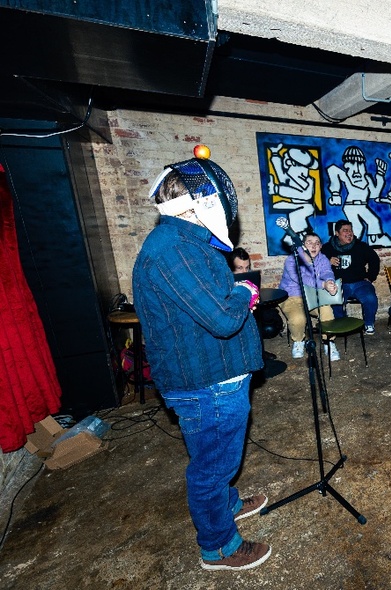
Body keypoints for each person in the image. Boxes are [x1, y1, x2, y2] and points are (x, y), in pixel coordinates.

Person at [132, 157, 271, 571]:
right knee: (212, 468)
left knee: (216, 458)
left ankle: (226, 505)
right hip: (206, 383)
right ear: (198, 202)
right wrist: (245, 289)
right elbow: (224, 319)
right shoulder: (173, 249)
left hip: (214, 375)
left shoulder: (186, 242)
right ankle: (220, 546)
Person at [279, 232, 341, 361]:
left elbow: (327, 271)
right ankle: (298, 341)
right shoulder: (292, 259)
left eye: (317, 243)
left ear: (321, 246)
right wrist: (323, 284)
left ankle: (328, 342)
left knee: (327, 311)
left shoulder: (322, 258)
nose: (314, 246)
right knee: (298, 319)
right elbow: (302, 280)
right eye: (309, 242)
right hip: (292, 296)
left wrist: (330, 281)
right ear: (303, 245)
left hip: (313, 295)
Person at [321, 218, 381, 334]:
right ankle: (342, 324)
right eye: (345, 230)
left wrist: (370, 277)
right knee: (335, 301)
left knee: (370, 298)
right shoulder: (327, 248)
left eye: (350, 230)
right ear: (337, 233)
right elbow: (316, 265)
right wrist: (328, 261)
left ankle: (369, 324)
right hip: (339, 284)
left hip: (360, 283)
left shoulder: (361, 246)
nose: (349, 233)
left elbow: (374, 259)